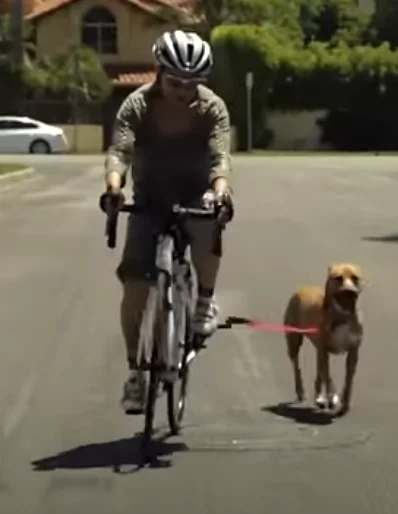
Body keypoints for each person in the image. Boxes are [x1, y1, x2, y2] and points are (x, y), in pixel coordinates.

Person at [99, 29, 234, 414]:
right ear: (159, 74)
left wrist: (220, 190)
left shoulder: (212, 108)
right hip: (150, 199)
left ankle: (205, 300)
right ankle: (135, 373)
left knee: (210, 222)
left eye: (193, 84)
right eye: (176, 82)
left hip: (196, 194)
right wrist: (113, 189)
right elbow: (120, 151)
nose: (184, 91)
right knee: (136, 286)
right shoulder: (136, 105)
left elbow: (218, 156)